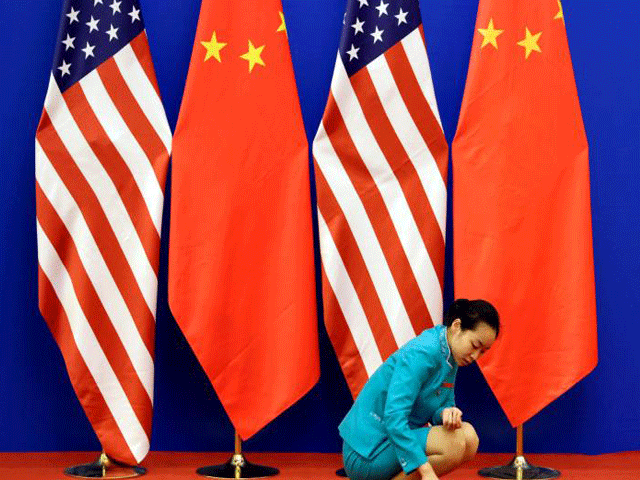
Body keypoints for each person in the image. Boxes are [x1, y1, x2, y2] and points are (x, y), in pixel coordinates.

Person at [339, 299, 500, 480]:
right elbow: (394, 418)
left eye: (483, 351)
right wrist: (426, 470)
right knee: (454, 444)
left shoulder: (451, 353)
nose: (475, 356)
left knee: (469, 438)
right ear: (457, 326)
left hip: (392, 445)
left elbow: (443, 404)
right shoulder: (423, 352)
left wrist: (447, 413)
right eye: (475, 345)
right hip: (366, 453)